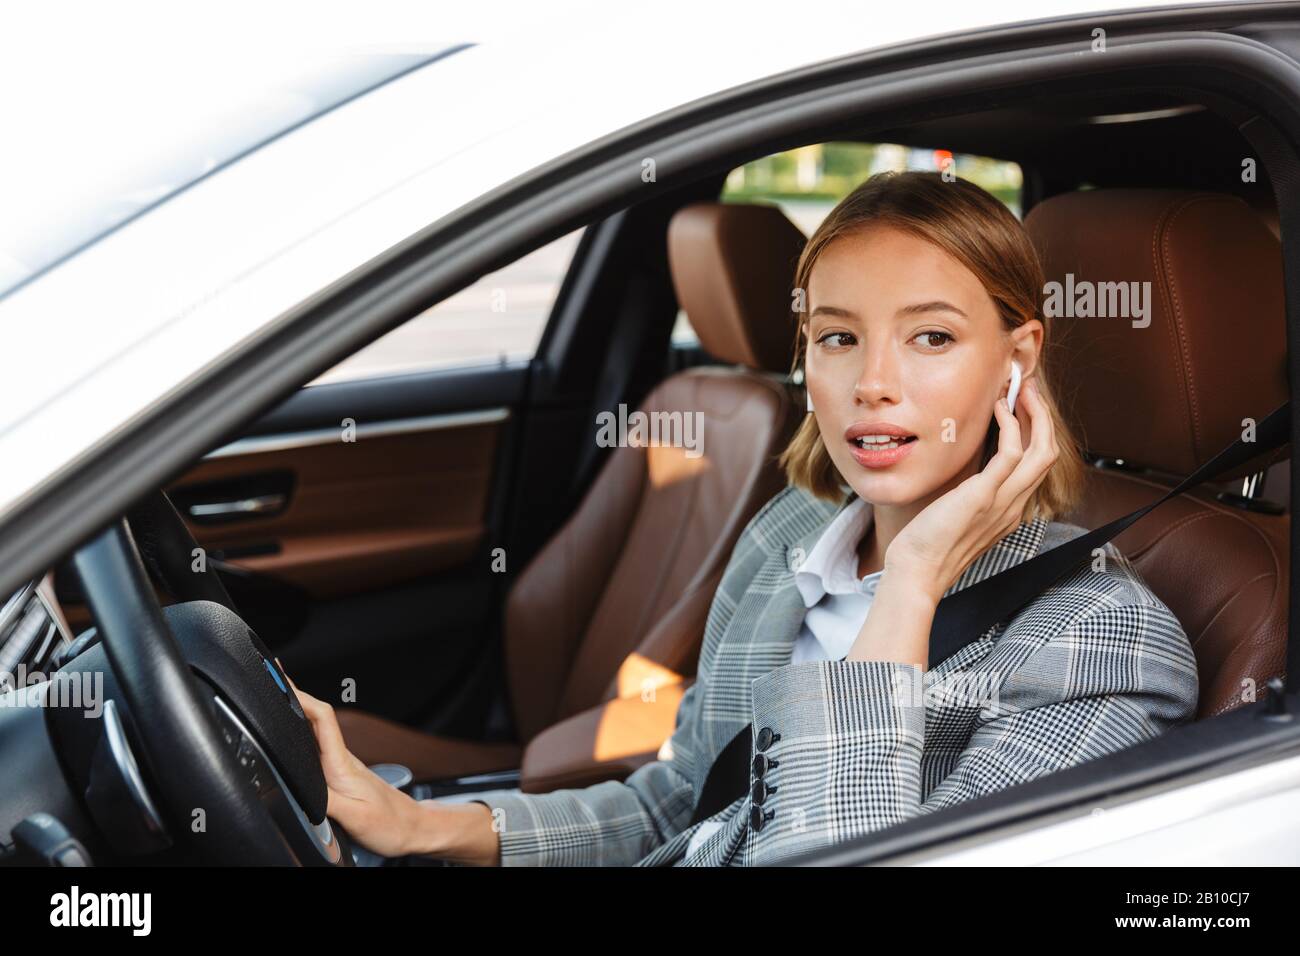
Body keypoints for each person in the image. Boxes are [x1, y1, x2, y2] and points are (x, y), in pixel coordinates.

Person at [289, 170, 1199, 866]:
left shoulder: (1104, 646)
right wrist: (424, 827)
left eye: (932, 336)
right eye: (838, 337)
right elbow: (683, 802)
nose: (872, 381)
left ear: (1017, 358)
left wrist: (914, 582)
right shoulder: (789, 539)